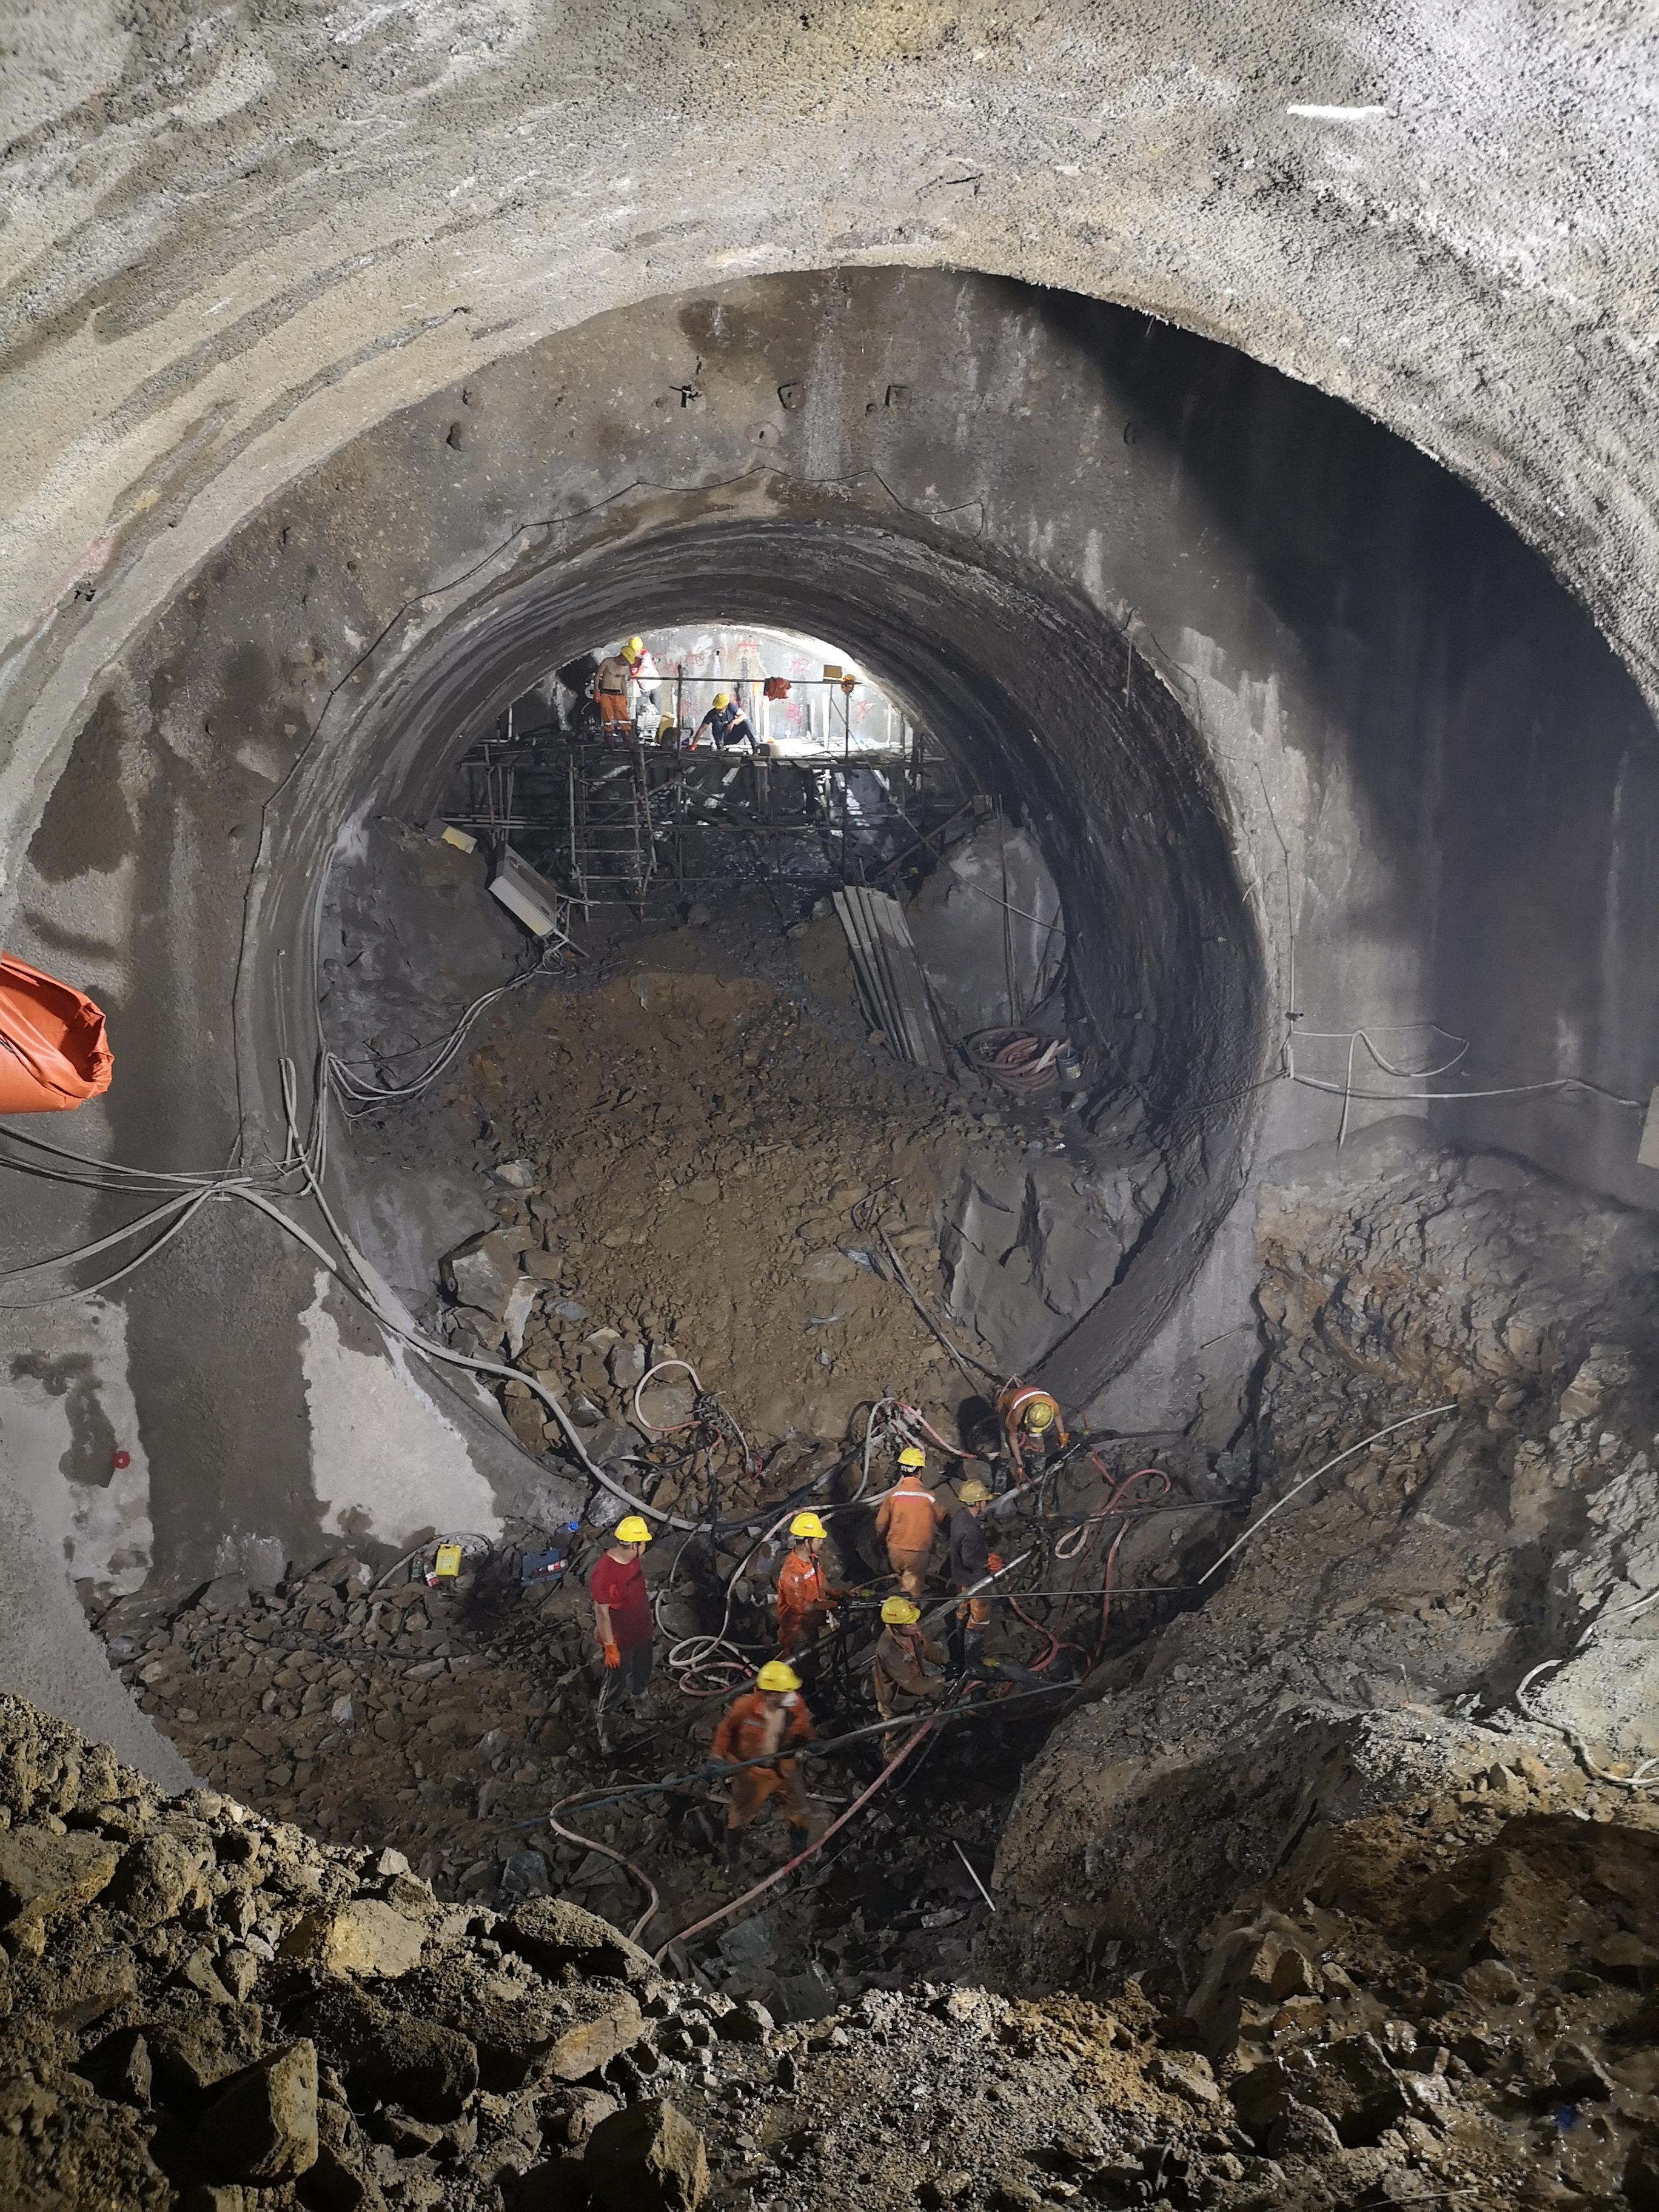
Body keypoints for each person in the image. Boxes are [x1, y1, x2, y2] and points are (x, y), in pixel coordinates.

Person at [711, 1659, 817, 1858]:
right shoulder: (745, 1706)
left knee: (800, 1808)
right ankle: (732, 1857)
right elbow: (725, 1730)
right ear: (768, 1693)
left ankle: (799, 1854)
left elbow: (804, 1731)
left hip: (784, 1767)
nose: (790, 1696)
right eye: (784, 1692)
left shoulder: (795, 1707)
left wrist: (808, 1745)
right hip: (753, 1772)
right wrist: (717, 1757)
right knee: (740, 1814)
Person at [589, 1514, 654, 1708]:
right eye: (643, 1542)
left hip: (642, 1631)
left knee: (643, 1669)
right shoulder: (604, 1572)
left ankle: (640, 1700)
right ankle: (605, 1716)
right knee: (615, 1681)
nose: (645, 1546)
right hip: (621, 1640)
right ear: (635, 1545)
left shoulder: (632, 1559)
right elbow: (601, 1612)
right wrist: (610, 1647)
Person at [947, 1473, 1005, 1672]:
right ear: (978, 1501)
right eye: (983, 1500)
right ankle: (973, 1663)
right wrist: (988, 1563)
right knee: (980, 1619)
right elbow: (970, 1559)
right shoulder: (970, 1530)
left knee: (962, 1612)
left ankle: (958, 1653)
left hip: (960, 1577)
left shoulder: (959, 1517)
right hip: (975, 1581)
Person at [873, 1445, 943, 1598]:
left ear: (902, 1471)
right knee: (911, 1593)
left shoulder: (894, 1495)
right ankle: (907, 1619)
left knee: (903, 1583)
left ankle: (894, 1611)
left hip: (895, 1550)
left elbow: (880, 1523)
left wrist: (881, 1542)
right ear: (919, 1471)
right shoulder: (928, 1496)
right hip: (917, 1552)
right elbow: (943, 1518)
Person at [871, 1595, 949, 1724]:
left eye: (915, 1621)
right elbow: (913, 1684)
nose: (916, 1626)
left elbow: (927, 1648)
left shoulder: (912, 1633)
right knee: (900, 1737)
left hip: (913, 1691)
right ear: (895, 1626)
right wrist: (941, 1678)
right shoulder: (890, 1650)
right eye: (909, 1623)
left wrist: (946, 1662)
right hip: (896, 1701)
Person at [775, 1510, 842, 1658]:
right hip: (798, 1633)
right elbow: (803, 1607)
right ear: (807, 1542)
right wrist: (831, 1604)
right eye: (818, 1539)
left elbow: (821, 1581)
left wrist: (839, 1594)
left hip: (811, 1625)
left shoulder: (811, 1560)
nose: (822, 1542)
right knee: (803, 1672)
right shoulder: (792, 1573)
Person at [997, 1379, 1070, 1479]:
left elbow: (1057, 1417)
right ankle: (1002, 1475)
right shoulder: (1016, 1415)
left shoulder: (1050, 1404)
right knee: (1006, 1446)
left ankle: (1039, 1473)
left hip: (1032, 1396)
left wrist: (1062, 1436)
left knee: (1039, 1446)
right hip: (1007, 1406)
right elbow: (1012, 1438)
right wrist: (1019, 1464)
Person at [692, 691, 757, 752]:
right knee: (717, 724)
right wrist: (693, 744)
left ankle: (755, 747)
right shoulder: (712, 714)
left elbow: (743, 716)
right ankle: (721, 748)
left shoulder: (731, 708)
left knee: (747, 722)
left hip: (734, 735)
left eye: (721, 708)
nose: (718, 710)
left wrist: (733, 723)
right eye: (717, 708)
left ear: (726, 706)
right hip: (721, 739)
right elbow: (702, 729)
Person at [594, 646, 634, 741]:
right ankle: (609, 736)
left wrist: (625, 697)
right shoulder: (608, 662)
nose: (627, 662)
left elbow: (623, 682)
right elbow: (598, 675)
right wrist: (596, 690)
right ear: (623, 656)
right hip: (606, 693)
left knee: (623, 717)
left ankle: (626, 737)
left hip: (618, 694)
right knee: (607, 716)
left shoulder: (626, 668)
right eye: (627, 660)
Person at [622, 635, 660, 721]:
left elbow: (642, 668)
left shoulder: (646, 655)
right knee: (639, 712)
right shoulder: (628, 656)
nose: (636, 653)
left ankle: (658, 730)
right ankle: (638, 730)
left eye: (636, 651)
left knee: (657, 712)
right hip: (643, 689)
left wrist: (634, 677)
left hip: (655, 686)